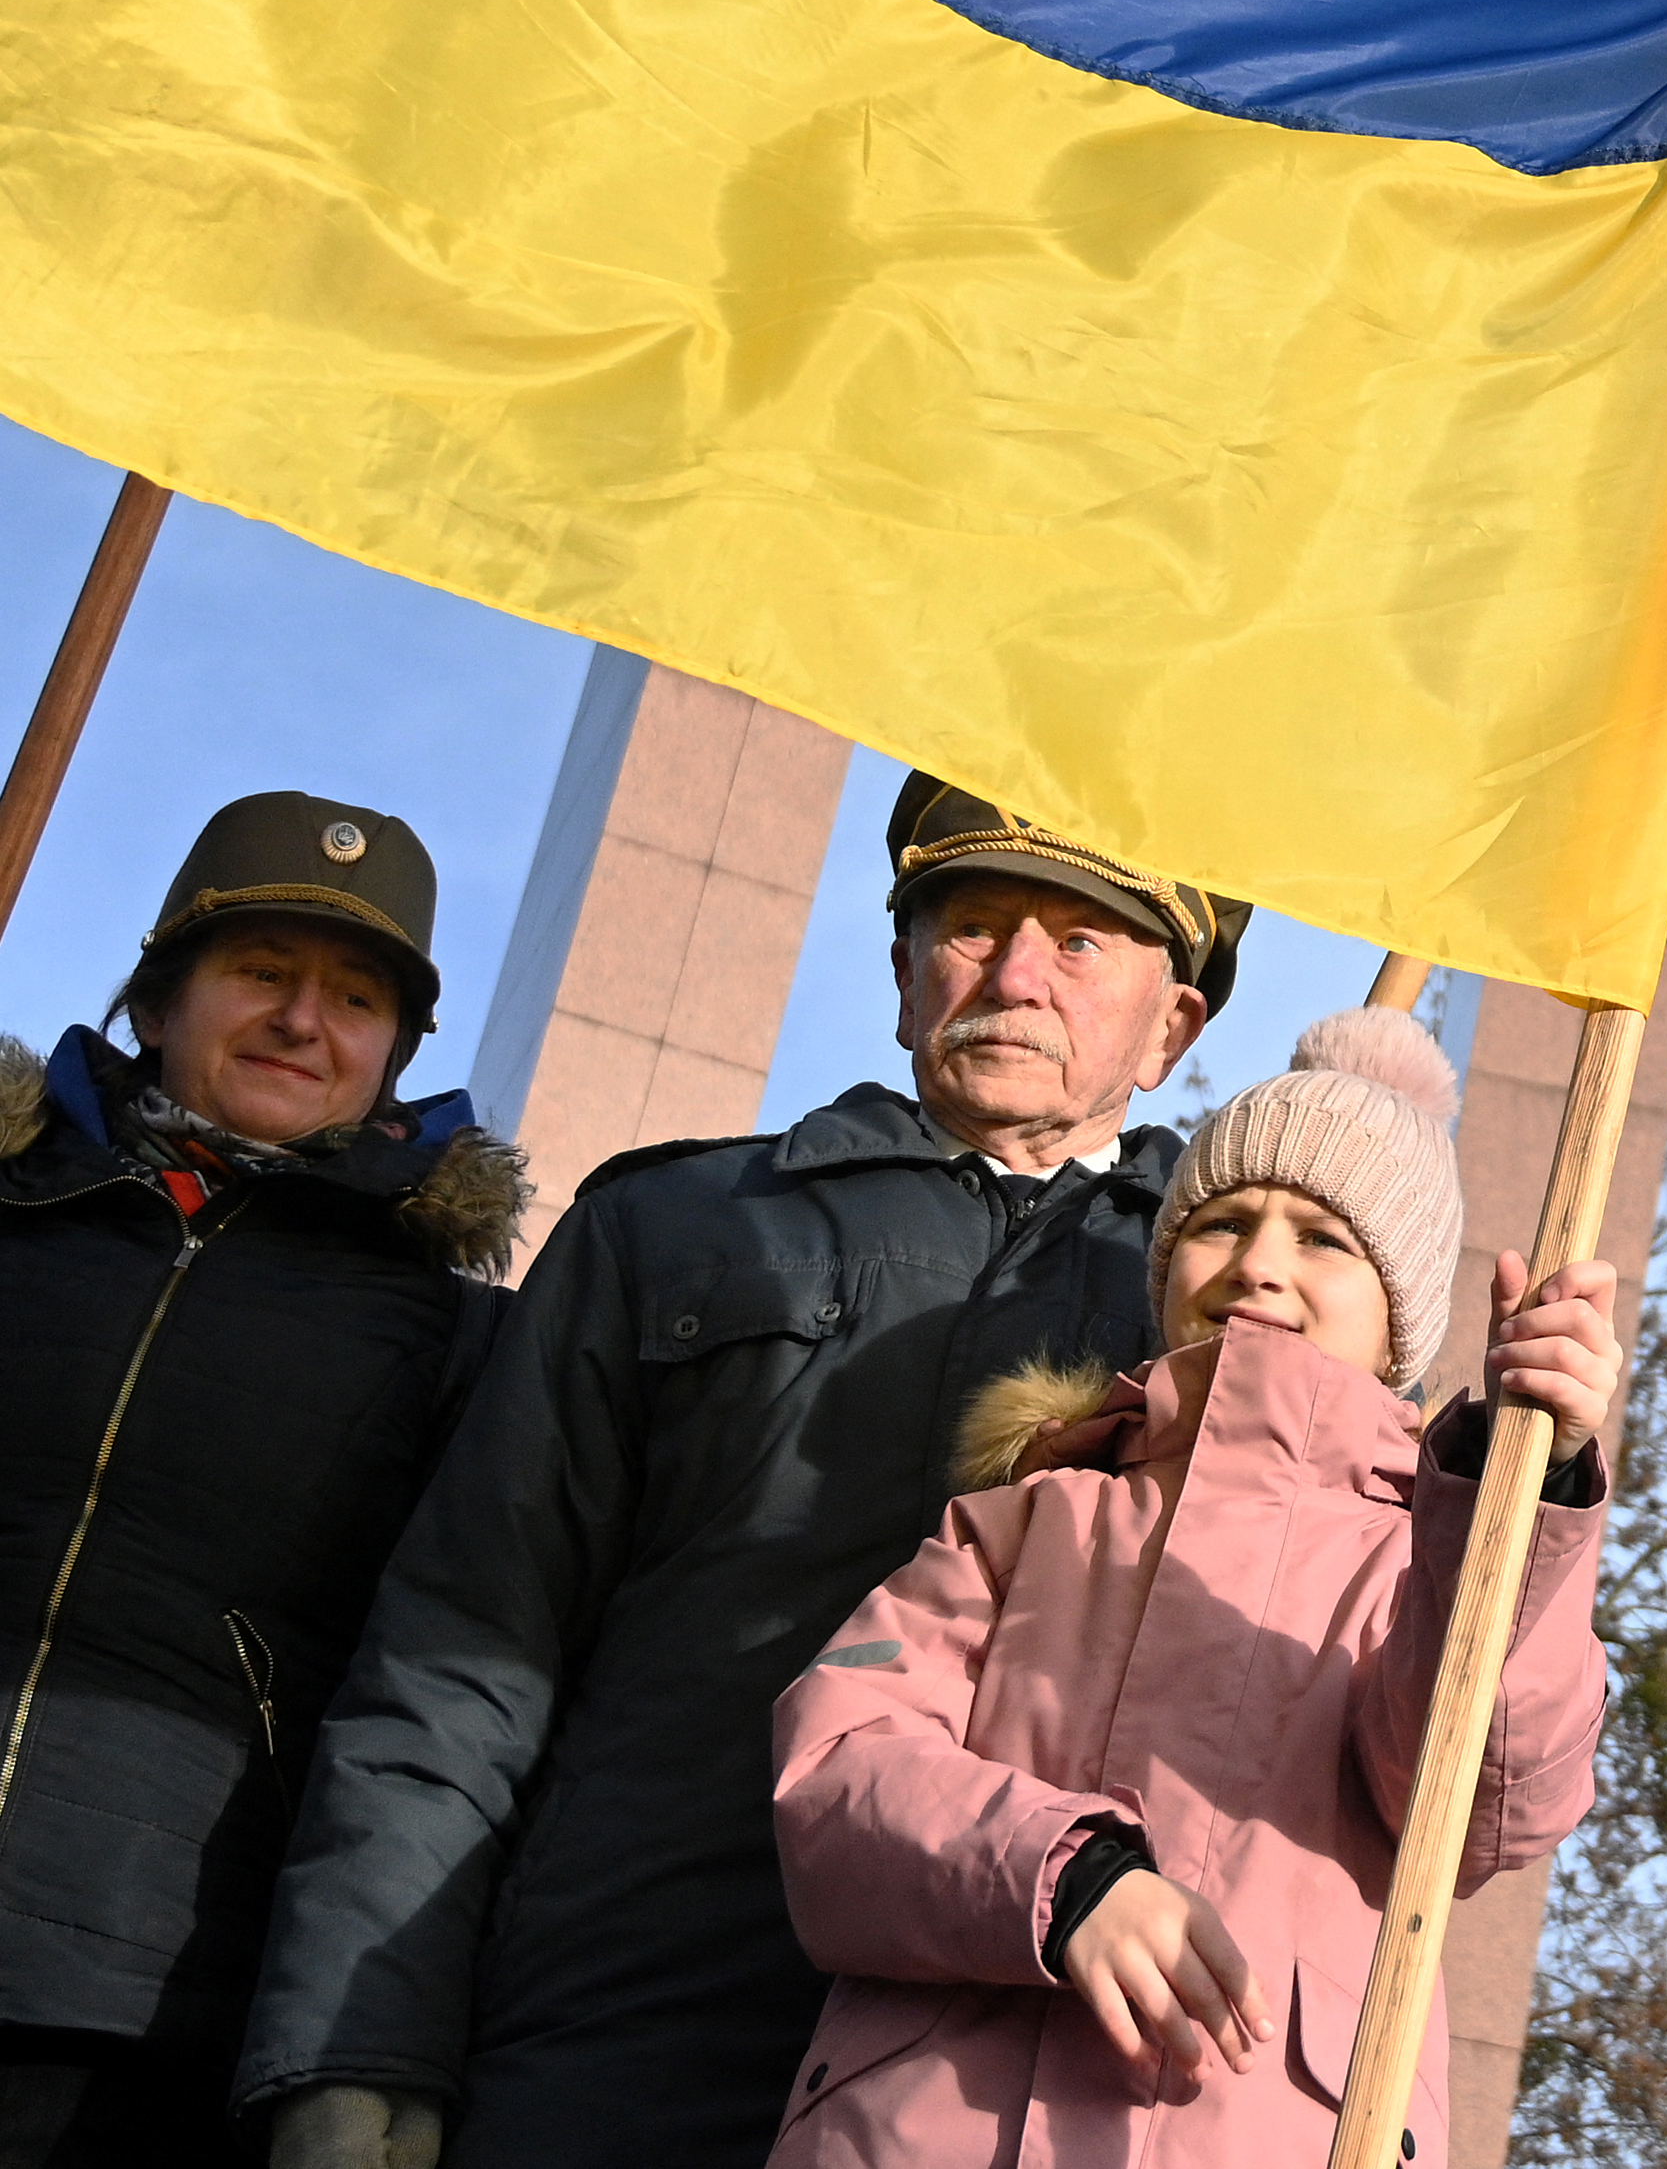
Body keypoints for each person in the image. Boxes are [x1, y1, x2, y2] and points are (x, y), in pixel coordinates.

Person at [246, 781, 1243, 2169]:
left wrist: (1520, 1473)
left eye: (1079, 941)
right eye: (971, 925)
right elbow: (463, 1652)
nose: (1016, 976)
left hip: (1031, 2079)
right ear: (903, 976)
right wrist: (360, 2042)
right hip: (619, 2039)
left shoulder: (1246, 1310)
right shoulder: (668, 1223)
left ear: (1172, 1026)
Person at [759, 1009, 1611, 2165]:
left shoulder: (1424, 1560)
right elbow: (839, 1767)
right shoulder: (1024, 1522)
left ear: (1400, 1323)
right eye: (1221, 1222)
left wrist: (1527, 1484)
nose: (1257, 1263)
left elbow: (1478, 1796)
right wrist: (1065, 1877)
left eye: (1324, 1239)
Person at [0, 797, 520, 2169]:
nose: (302, 1019)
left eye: (355, 998)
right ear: (156, 999)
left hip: (144, 2006)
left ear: (394, 1057)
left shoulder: (454, 1340)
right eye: (262, 970)